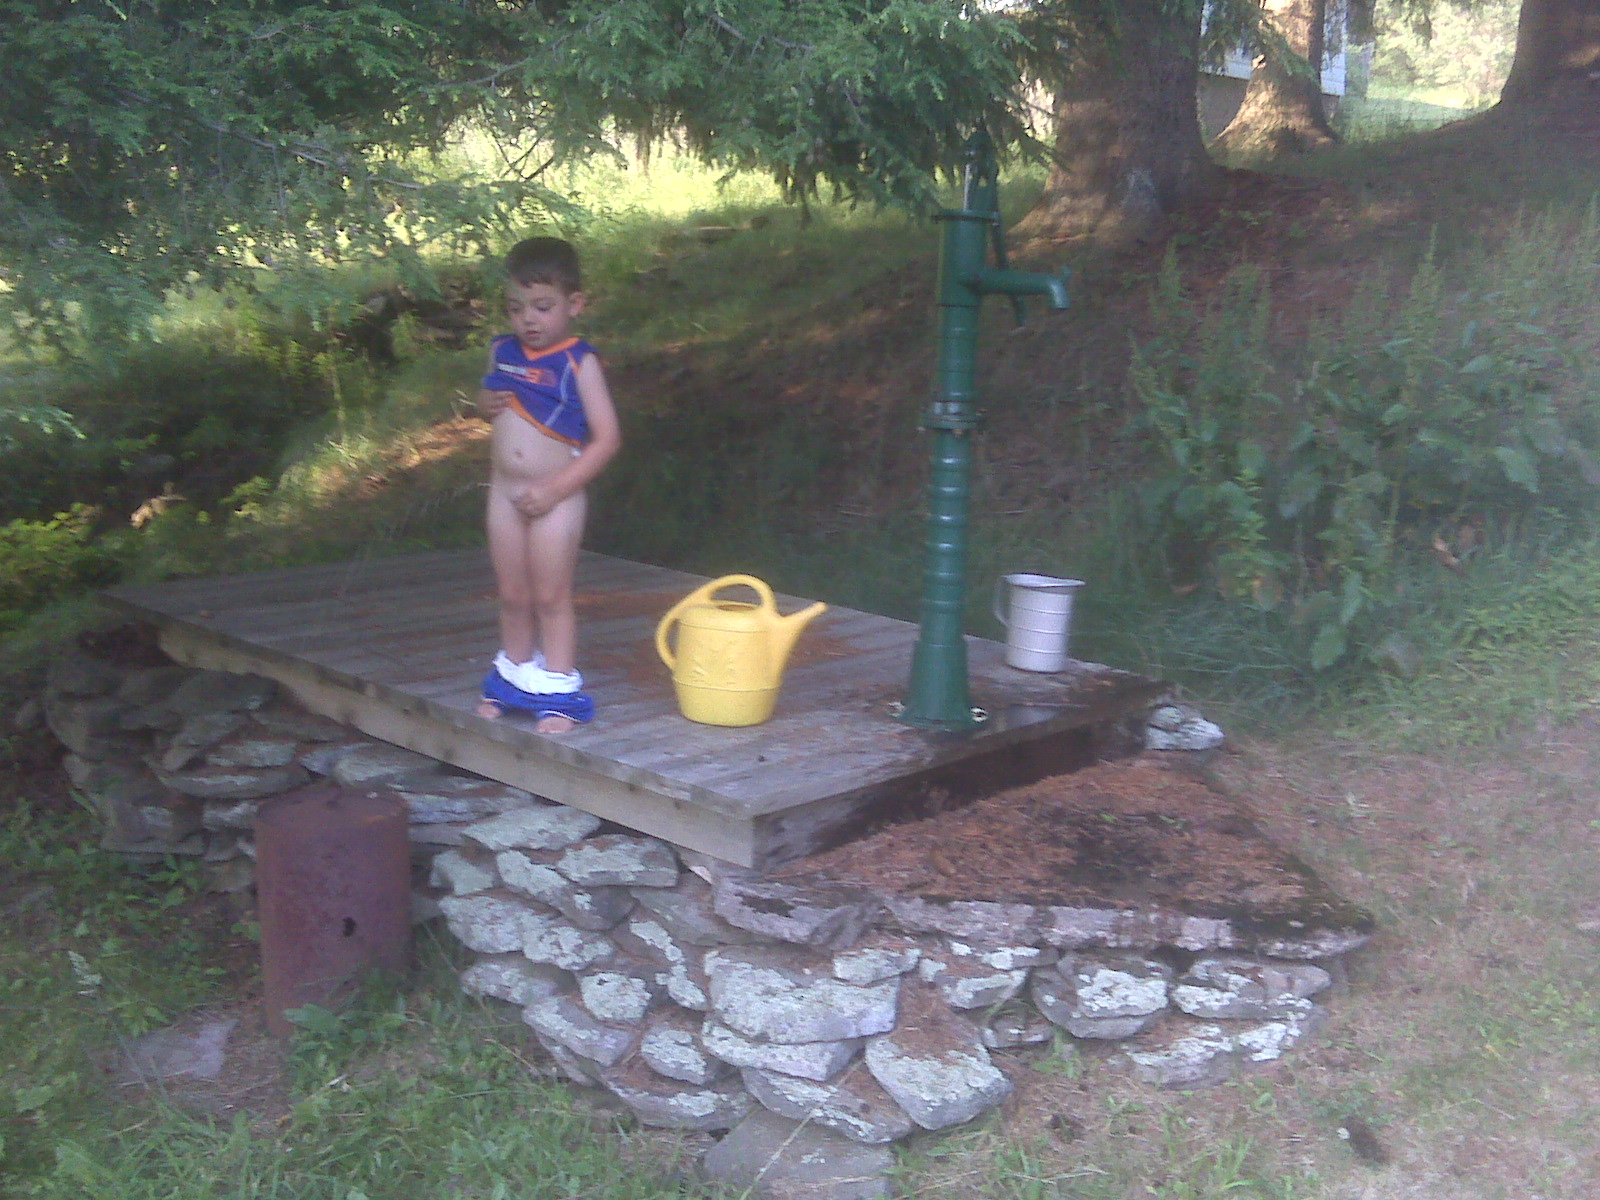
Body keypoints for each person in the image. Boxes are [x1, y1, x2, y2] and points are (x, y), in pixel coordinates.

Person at [473, 237, 621, 732]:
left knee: (551, 597)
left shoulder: (579, 361)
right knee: (513, 594)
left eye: (542, 307)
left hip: (556, 496)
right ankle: (512, 681)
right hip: (504, 492)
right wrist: (482, 405)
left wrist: (557, 490)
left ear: (574, 304)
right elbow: (489, 403)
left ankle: (557, 692)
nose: (528, 320)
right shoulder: (501, 351)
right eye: (516, 308)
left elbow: (607, 440)